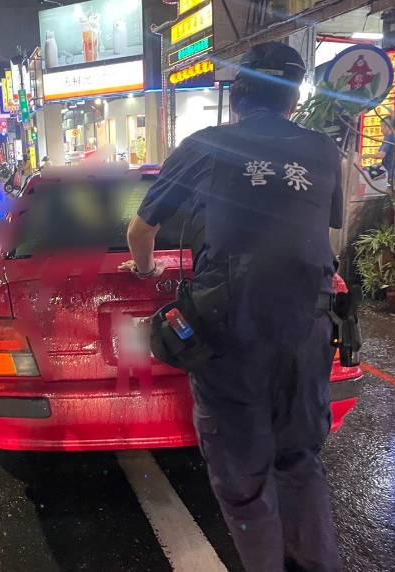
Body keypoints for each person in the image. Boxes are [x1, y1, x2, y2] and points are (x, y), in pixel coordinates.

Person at [123, 42, 343, 572]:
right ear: (293, 99)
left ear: (236, 94)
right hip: (305, 331)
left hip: (231, 333)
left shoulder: (206, 146)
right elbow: (331, 230)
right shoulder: (323, 151)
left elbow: (141, 229)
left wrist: (146, 269)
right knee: (299, 461)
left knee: (242, 481)